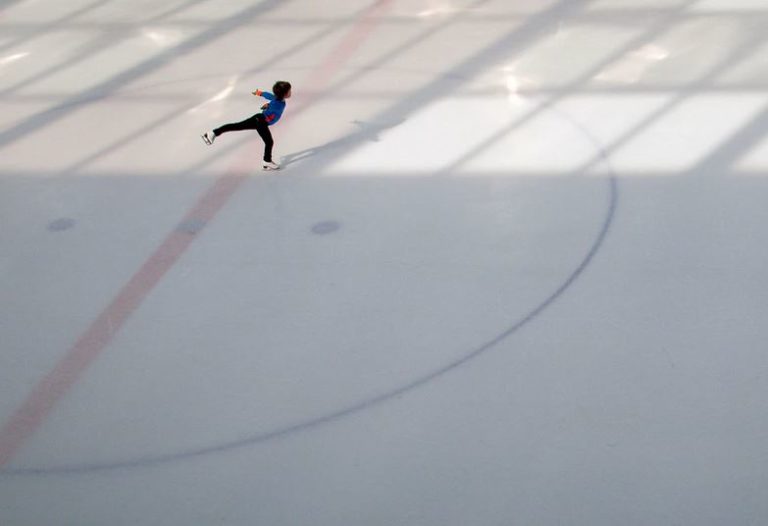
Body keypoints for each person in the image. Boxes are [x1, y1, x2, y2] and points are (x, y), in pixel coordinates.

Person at [202, 81, 292, 170]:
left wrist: (260, 93)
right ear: (283, 94)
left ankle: (212, 133)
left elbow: (269, 96)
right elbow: (272, 105)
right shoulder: (277, 104)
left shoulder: (278, 99)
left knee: (236, 126)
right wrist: (267, 106)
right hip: (261, 121)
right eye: (289, 91)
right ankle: (267, 161)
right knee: (269, 142)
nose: (290, 92)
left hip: (259, 119)